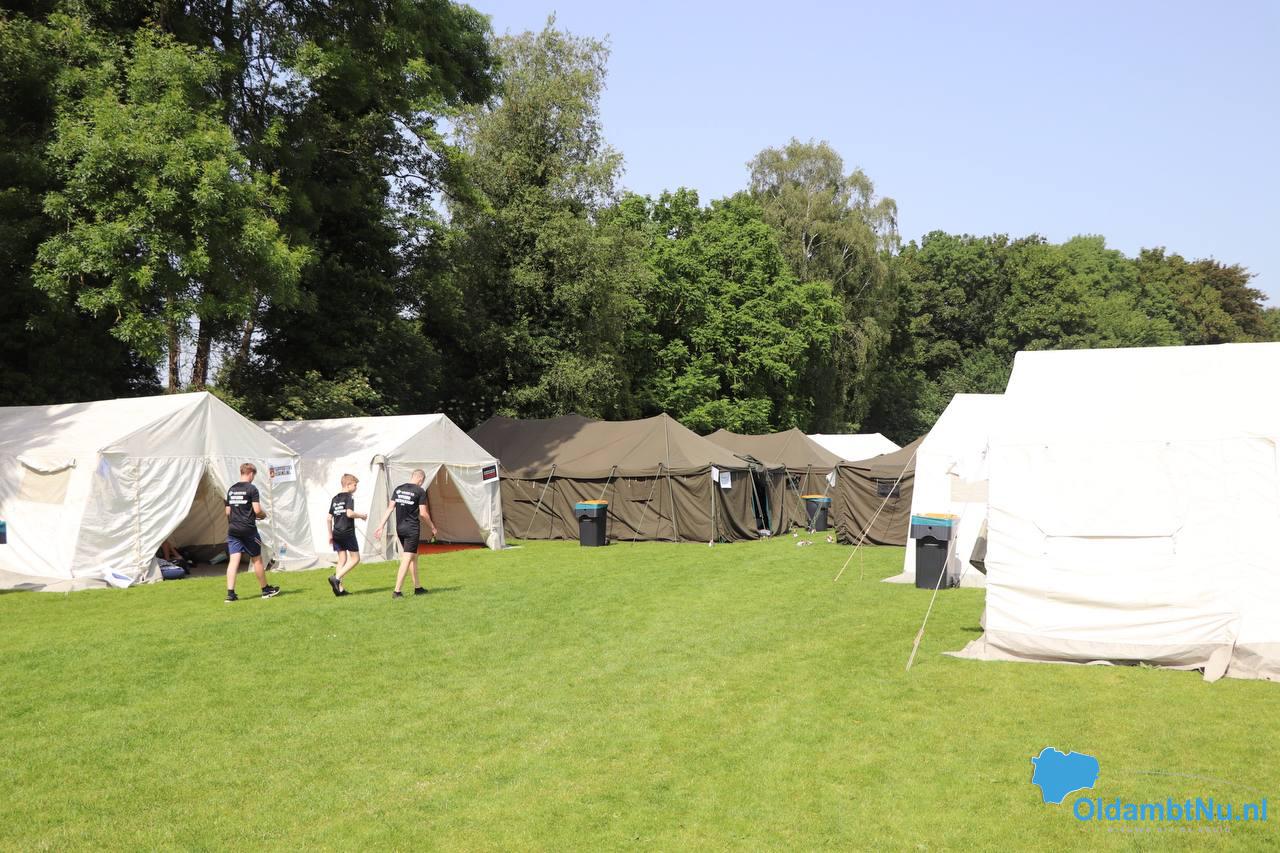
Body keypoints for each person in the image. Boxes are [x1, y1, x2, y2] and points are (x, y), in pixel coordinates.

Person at [373, 468, 437, 599]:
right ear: (421, 479)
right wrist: (432, 526)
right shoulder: (420, 491)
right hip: (412, 529)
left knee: (414, 556)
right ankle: (397, 591)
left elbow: (390, 508)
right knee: (407, 558)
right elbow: (423, 513)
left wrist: (381, 525)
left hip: (400, 528)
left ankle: (418, 587)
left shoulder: (398, 489)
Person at [224, 462, 280, 602]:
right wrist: (263, 515)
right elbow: (257, 510)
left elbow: (228, 512)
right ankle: (265, 590)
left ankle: (230, 594)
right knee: (257, 560)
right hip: (248, 530)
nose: (253, 478)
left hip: (233, 530)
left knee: (233, 561)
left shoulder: (231, 489)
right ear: (250, 473)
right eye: (253, 475)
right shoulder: (252, 489)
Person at [326, 473, 368, 596]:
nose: (356, 488)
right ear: (348, 485)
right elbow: (349, 513)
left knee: (342, 560)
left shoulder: (335, 498)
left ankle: (339, 589)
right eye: (355, 485)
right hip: (347, 532)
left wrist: (330, 535)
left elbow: (328, 518)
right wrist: (362, 516)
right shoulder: (349, 497)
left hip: (336, 533)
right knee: (356, 559)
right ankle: (336, 578)